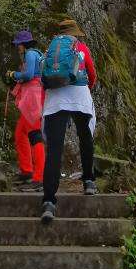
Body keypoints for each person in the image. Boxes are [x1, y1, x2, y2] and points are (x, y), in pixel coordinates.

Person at [40, 18, 97, 223]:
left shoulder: (51, 49)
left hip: (55, 99)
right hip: (80, 95)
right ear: (75, 34)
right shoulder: (82, 47)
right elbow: (92, 75)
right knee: (85, 138)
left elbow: (43, 76)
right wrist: (84, 88)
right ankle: (89, 181)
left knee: (54, 150)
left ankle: (49, 201)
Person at [6, 30, 45, 191]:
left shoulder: (30, 54)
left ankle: (39, 177)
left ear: (23, 44)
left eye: (18, 44)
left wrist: (13, 74)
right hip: (35, 96)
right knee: (20, 133)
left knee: (35, 136)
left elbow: (28, 75)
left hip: (32, 98)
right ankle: (27, 171)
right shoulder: (37, 54)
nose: (17, 48)